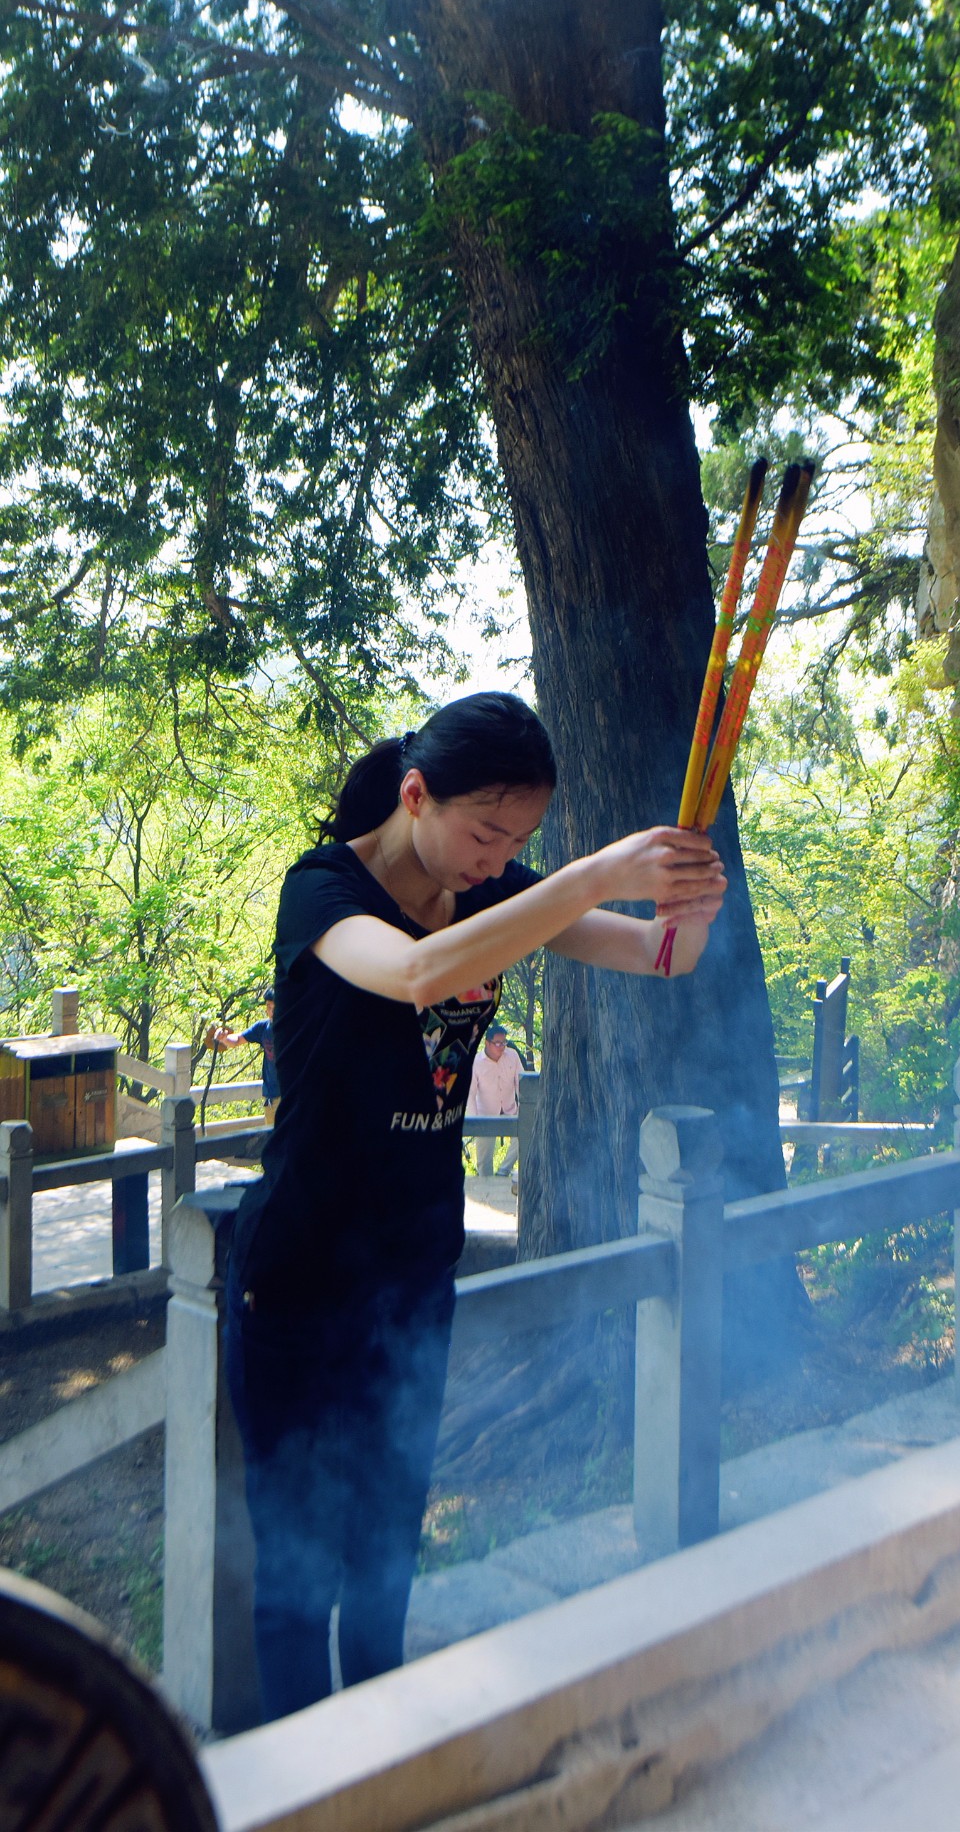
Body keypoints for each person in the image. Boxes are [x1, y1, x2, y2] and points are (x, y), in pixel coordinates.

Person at [223, 691, 725, 1720]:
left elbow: (656, 957)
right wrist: (596, 870)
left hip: (412, 1280)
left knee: (382, 1565)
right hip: (302, 1281)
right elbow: (411, 973)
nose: (500, 857)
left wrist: (691, 904)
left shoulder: (498, 887)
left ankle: (384, 1768)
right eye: (486, 830)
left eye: (521, 840)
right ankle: (303, 1786)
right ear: (417, 795)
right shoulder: (323, 890)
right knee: (294, 1580)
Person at [208, 989, 279, 1120]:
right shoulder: (262, 1028)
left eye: (276, 1007)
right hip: (270, 1097)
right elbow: (237, 1040)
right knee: (272, 1137)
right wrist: (223, 1038)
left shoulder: (295, 1028)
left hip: (292, 1096)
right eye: (269, 1007)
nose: (272, 1011)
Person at [467, 1022, 522, 1175]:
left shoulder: (512, 1056)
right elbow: (470, 1092)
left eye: (504, 1043)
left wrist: (524, 1109)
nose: (501, 1047)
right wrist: (474, 1120)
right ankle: (486, 1185)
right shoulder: (476, 1062)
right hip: (486, 1114)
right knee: (484, 1161)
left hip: (510, 1109)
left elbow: (520, 1083)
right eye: (497, 1043)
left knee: (523, 1137)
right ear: (487, 1043)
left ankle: (504, 1170)